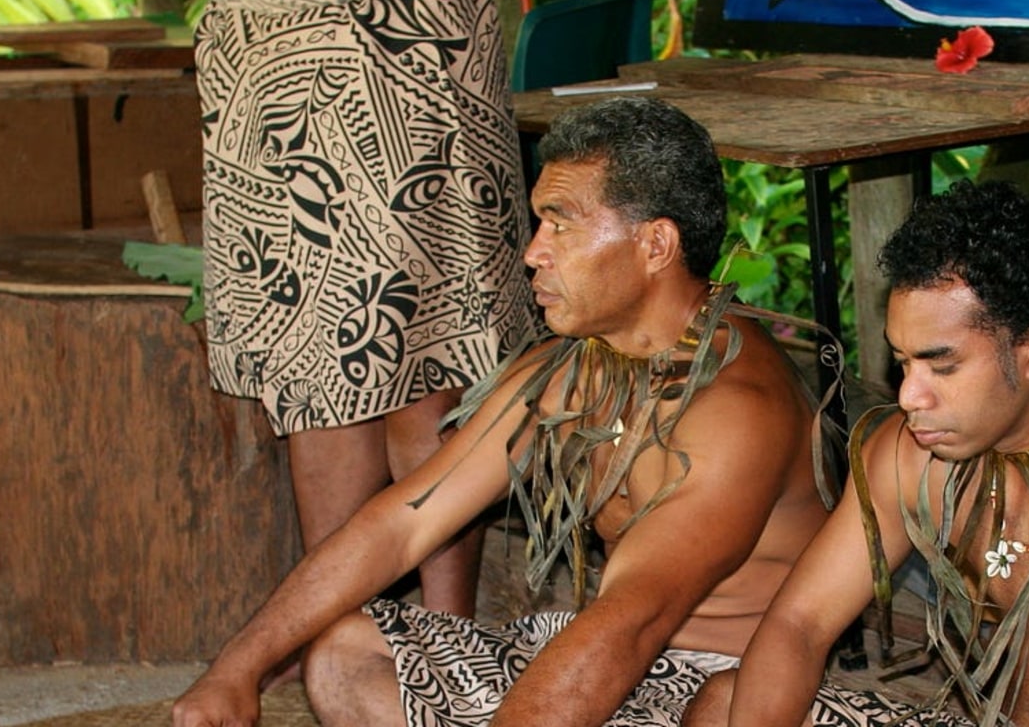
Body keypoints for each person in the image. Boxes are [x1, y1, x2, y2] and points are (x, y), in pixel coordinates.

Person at [171, 96, 833, 727]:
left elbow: (637, 619)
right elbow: (401, 523)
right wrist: (238, 666)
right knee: (346, 652)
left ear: (655, 245)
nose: (534, 252)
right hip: (595, 651)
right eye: (539, 223)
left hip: (713, 685)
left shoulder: (736, 409)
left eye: (562, 224)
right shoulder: (574, 366)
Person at [685, 180, 1029, 727]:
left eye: (942, 366)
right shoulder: (919, 451)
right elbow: (800, 623)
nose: (909, 395)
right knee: (725, 702)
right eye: (903, 363)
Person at [176, 0, 541, 617]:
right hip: (254, 30)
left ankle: (446, 627)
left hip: (405, 12)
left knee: (432, 351)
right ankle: (332, 626)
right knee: (308, 353)